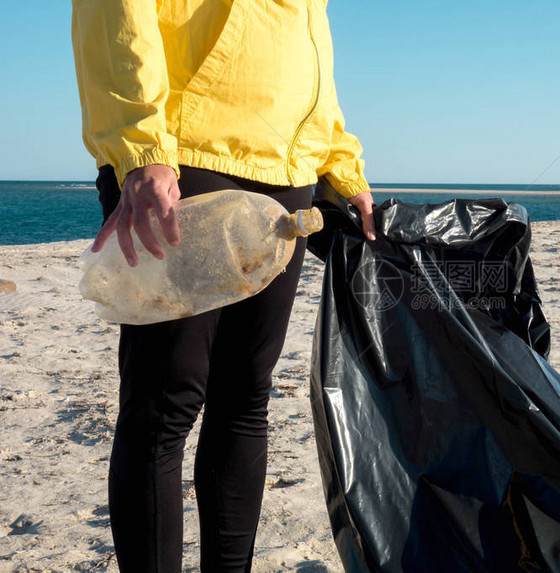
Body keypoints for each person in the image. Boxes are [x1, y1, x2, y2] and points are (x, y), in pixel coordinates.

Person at [71, 2, 375, 571]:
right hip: (184, 158)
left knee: (244, 397)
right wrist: (142, 149)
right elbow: (116, 14)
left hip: (288, 173)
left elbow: (306, 46)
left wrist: (340, 163)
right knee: (164, 406)